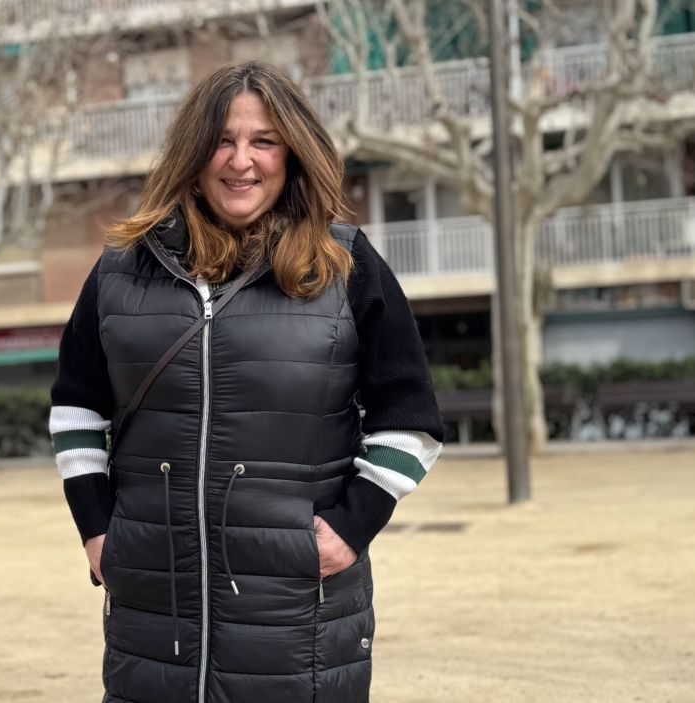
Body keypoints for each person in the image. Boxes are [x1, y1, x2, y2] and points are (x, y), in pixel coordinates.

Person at [48, 61, 444, 703]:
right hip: (152, 611)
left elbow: (411, 416)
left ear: (292, 153)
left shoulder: (345, 265)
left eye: (263, 141)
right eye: (222, 141)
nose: (241, 161)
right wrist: (97, 528)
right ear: (192, 154)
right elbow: (76, 410)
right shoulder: (123, 270)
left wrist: (354, 524)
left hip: (298, 612)